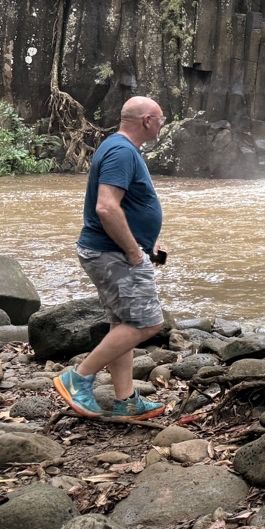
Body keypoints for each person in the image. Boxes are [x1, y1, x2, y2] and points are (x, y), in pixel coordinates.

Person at [54, 96, 168, 421]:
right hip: (114, 253)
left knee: (124, 323)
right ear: (147, 120)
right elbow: (106, 207)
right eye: (160, 118)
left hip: (112, 251)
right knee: (147, 322)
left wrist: (149, 244)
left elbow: (126, 205)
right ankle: (77, 378)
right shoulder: (121, 151)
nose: (162, 124)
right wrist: (134, 252)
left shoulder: (121, 148)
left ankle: (126, 400)